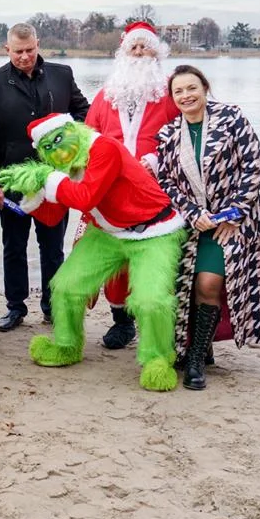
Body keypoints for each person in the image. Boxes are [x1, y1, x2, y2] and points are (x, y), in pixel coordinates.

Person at [0, 114, 186, 392]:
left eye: (59, 139)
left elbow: (86, 197)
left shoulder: (104, 148)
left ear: (74, 129)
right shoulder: (61, 165)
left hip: (153, 230)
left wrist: (48, 179)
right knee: (64, 287)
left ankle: (158, 359)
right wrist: (30, 195)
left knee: (150, 300)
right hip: (107, 232)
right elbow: (52, 216)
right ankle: (66, 344)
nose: (56, 150)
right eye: (47, 147)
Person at [155, 65, 260, 390]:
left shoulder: (232, 118)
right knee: (181, 286)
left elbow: (255, 165)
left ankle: (196, 359)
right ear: (172, 98)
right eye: (178, 91)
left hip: (232, 221)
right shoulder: (169, 134)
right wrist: (190, 210)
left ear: (205, 87)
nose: (186, 96)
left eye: (191, 88)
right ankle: (198, 346)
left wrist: (233, 214)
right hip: (191, 222)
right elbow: (166, 180)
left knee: (209, 283)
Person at [0, 23, 90, 332]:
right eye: (18, 52)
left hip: (55, 180)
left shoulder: (62, 74)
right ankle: (15, 307)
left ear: (38, 45)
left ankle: (53, 306)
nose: (25, 57)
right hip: (13, 181)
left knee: (52, 247)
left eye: (30, 50)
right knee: (13, 246)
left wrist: (67, 138)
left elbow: (84, 113)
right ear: (7, 50)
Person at [86, 21, 181, 350]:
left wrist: (156, 159)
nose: (140, 53)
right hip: (112, 191)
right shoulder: (106, 94)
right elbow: (89, 138)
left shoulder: (171, 93)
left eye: (146, 47)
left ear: (158, 52)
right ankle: (121, 320)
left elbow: (184, 136)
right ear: (123, 53)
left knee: (153, 254)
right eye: (134, 48)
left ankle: (154, 318)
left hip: (156, 191)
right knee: (115, 255)